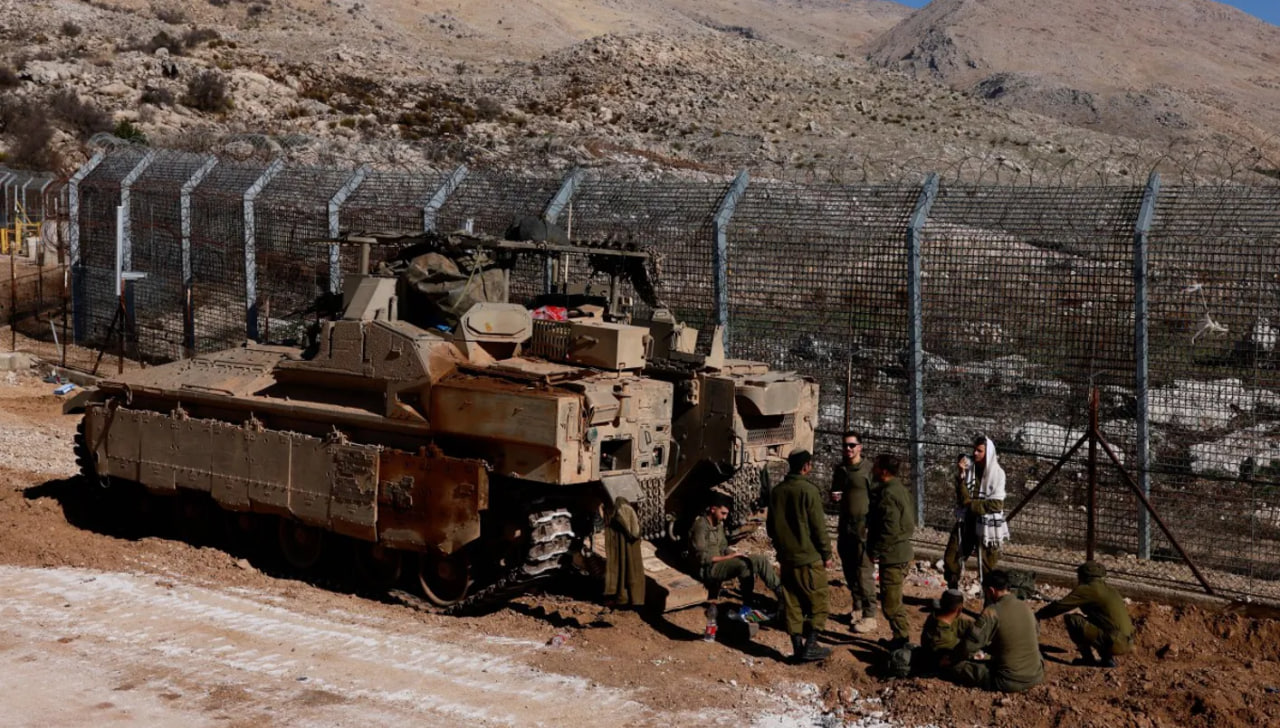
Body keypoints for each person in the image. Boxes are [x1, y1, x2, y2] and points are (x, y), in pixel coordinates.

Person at [767, 450, 833, 663]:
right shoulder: (808, 491)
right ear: (806, 466)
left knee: (792, 603)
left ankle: (797, 648)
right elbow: (818, 527)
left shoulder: (777, 491)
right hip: (808, 558)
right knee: (819, 603)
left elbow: (771, 528)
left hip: (787, 558)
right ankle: (810, 645)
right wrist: (826, 553)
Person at [689, 492, 784, 639]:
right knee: (744, 565)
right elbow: (701, 558)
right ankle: (747, 607)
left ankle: (781, 595)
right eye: (723, 513)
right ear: (713, 509)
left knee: (759, 559)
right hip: (708, 569)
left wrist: (735, 553)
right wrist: (730, 557)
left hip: (721, 563)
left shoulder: (718, 525)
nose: (725, 517)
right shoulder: (700, 526)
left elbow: (723, 547)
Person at [950, 570, 1045, 693]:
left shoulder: (992, 612)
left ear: (991, 591)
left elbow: (970, 645)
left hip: (1009, 680)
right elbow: (1033, 634)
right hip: (1037, 674)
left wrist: (952, 658)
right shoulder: (1026, 607)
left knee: (956, 667)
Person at [1036, 560, 1135, 668]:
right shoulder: (1111, 590)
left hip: (1115, 643)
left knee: (1073, 620)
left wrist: (1038, 615)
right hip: (1127, 641)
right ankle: (1107, 660)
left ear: (1084, 577)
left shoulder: (1090, 588)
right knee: (1095, 622)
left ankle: (1088, 659)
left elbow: (1060, 606)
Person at [944, 436, 1011, 590]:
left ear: (988, 453)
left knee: (987, 567)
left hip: (987, 525)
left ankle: (989, 600)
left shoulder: (997, 474)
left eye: (979, 451)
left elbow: (996, 504)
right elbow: (962, 498)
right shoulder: (969, 471)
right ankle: (953, 594)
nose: (975, 453)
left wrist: (971, 504)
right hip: (967, 521)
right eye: (974, 450)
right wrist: (961, 476)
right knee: (951, 558)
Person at [831, 431, 877, 634]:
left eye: (852, 445)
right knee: (849, 570)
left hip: (863, 529)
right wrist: (834, 497)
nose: (848, 449)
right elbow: (836, 492)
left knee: (864, 572)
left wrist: (872, 526)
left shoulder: (868, 470)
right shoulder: (841, 469)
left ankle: (870, 615)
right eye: (845, 445)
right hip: (845, 527)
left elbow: (877, 499)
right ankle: (857, 609)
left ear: (860, 447)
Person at [867, 453, 915, 647]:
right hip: (900, 552)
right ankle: (899, 639)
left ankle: (902, 641)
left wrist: (876, 550)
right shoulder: (899, 489)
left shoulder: (888, 494)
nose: (873, 469)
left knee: (891, 604)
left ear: (884, 471)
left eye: (876, 466)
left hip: (893, 556)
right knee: (893, 600)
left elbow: (890, 528)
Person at [918, 588, 974, 676]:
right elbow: (963, 652)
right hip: (943, 665)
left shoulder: (937, 617)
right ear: (959, 609)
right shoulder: (943, 637)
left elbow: (964, 625)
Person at [602, 496, 645, 608]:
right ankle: (635, 600)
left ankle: (622, 599)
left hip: (621, 548)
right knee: (631, 574)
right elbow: (635, 531)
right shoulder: (629, 512)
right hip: (632, 550)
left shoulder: (617, 515)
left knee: (621, 572)